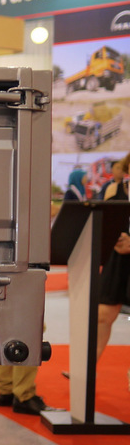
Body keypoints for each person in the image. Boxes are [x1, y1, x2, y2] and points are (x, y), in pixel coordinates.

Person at [96, 152, 130, 361]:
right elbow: (105, 222)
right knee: (102, 316)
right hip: (117, 258)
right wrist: (114, 239)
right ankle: (87, 368)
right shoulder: (114, 190)